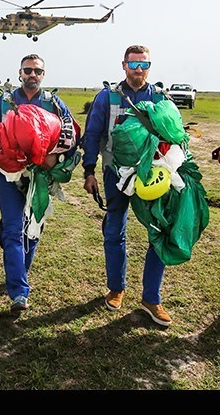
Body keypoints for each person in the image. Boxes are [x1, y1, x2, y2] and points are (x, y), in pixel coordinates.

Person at [0, 54, 76, 313]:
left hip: (40, 177)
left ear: (44, 75)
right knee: (12, 230)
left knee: (32, 231)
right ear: (19, 73)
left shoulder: (54, 103)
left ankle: (19, 268)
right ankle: (19, 292)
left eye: (37, 71)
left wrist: (56, 158)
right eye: (28, 70)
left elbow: (71, 135)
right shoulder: (4, 103)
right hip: (7, 173)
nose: (33, 75)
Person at [81, 44, 174, 326]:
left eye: (144, 65)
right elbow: (93, 133)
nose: (138, 70)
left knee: (158, 232)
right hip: (114, 173)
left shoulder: (160, 98)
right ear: (123, 65)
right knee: (114, 231)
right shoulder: (107, 97)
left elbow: (173, 132)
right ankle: (116, 288)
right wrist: (88, 171)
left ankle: (151, 298)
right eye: (134, 64)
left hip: (152, 177)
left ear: (149, 67)